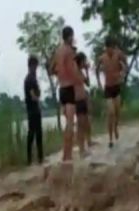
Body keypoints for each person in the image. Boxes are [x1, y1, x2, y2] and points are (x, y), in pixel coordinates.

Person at [52, 26, 79, 162]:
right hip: (68, 88)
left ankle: (66, 153)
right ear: (69, 36)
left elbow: (52, 68)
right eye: (72, 36)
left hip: (61, 89)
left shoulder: (58, 51)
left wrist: (59, 75)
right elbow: (72, 69)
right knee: (70, 123)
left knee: (68, 123)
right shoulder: (69, 51)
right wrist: (77, 80)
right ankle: (67, 154)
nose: (73, 39)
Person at [97, 36, 127, 148]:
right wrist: (99, 83)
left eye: (112, 48)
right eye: (108, 48)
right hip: (108, 88)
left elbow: (125, 64)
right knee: (111, 112)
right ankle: (110, 139)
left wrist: (122, 74)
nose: (110, 50)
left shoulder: (118, 54)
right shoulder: (102, 58)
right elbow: (96, 70)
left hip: (117, 87)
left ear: (114, 48)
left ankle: (116, 127)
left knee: (118, 112)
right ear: (106, 48)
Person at [24, 55, 44, 165]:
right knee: (35, 133)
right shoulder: (30, 78)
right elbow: (32, 94)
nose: (37, 68)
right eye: (36, 65)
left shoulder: (31, 77)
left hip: (31, 108)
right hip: (33, 109)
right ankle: (37, 158)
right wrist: (38, 101)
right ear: (32, 65)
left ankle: (31, 159)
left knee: (33, 133)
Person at [75, 52, 93, 156]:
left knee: (87, 122)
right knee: (80, 125)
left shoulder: (81, 73)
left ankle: (89, 141)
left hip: (83, 100)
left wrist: (86, 71)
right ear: (80, 62)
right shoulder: (74, 73)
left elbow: (88, 83)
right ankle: (81, 149)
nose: (85, 63)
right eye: (84, 61)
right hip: (77, 101)